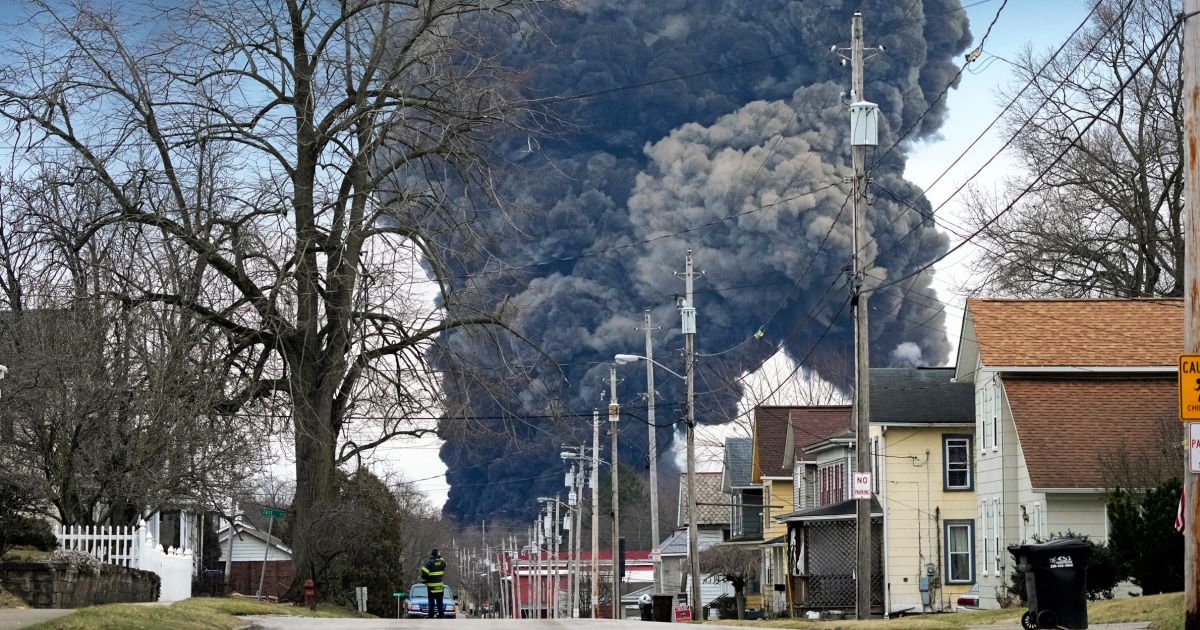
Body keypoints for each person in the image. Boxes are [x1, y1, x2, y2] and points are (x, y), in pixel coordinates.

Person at [421, 548, 448, 618]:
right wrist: (440, 556)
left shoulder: (429, 563)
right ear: (438, 554)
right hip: (439, 587)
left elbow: (424, 574)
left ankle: (431, 615)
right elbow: (445, 563)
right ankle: (441, 615)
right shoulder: (442, 562)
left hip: (431, 587)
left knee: (431, 602)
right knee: (440, 602)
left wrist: (423, 581)